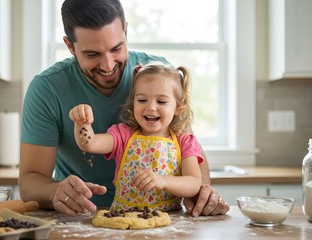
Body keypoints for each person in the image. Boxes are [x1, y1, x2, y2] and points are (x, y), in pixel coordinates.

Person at [19, 0, 229, 217]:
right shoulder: (47, 89)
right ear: (70, 46)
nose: (108, 66)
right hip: (80, 216)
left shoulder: (156, 77)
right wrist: (56, 191)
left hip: (159, 217)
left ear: (126, 31)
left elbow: (189, 150)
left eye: (116, 48)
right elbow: (30, 180)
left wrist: (202, 193)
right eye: (92, 54)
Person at [69, 62, 203, 211]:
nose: (151, 107)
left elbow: (194, 184)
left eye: (161, 101)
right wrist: (82, 123)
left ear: (178, 107)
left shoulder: (184, 141)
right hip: (123, 219)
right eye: (142, 100)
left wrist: (163, 181)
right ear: (133, 103)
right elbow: (89, 143)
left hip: (169, 223)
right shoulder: (124, 135)